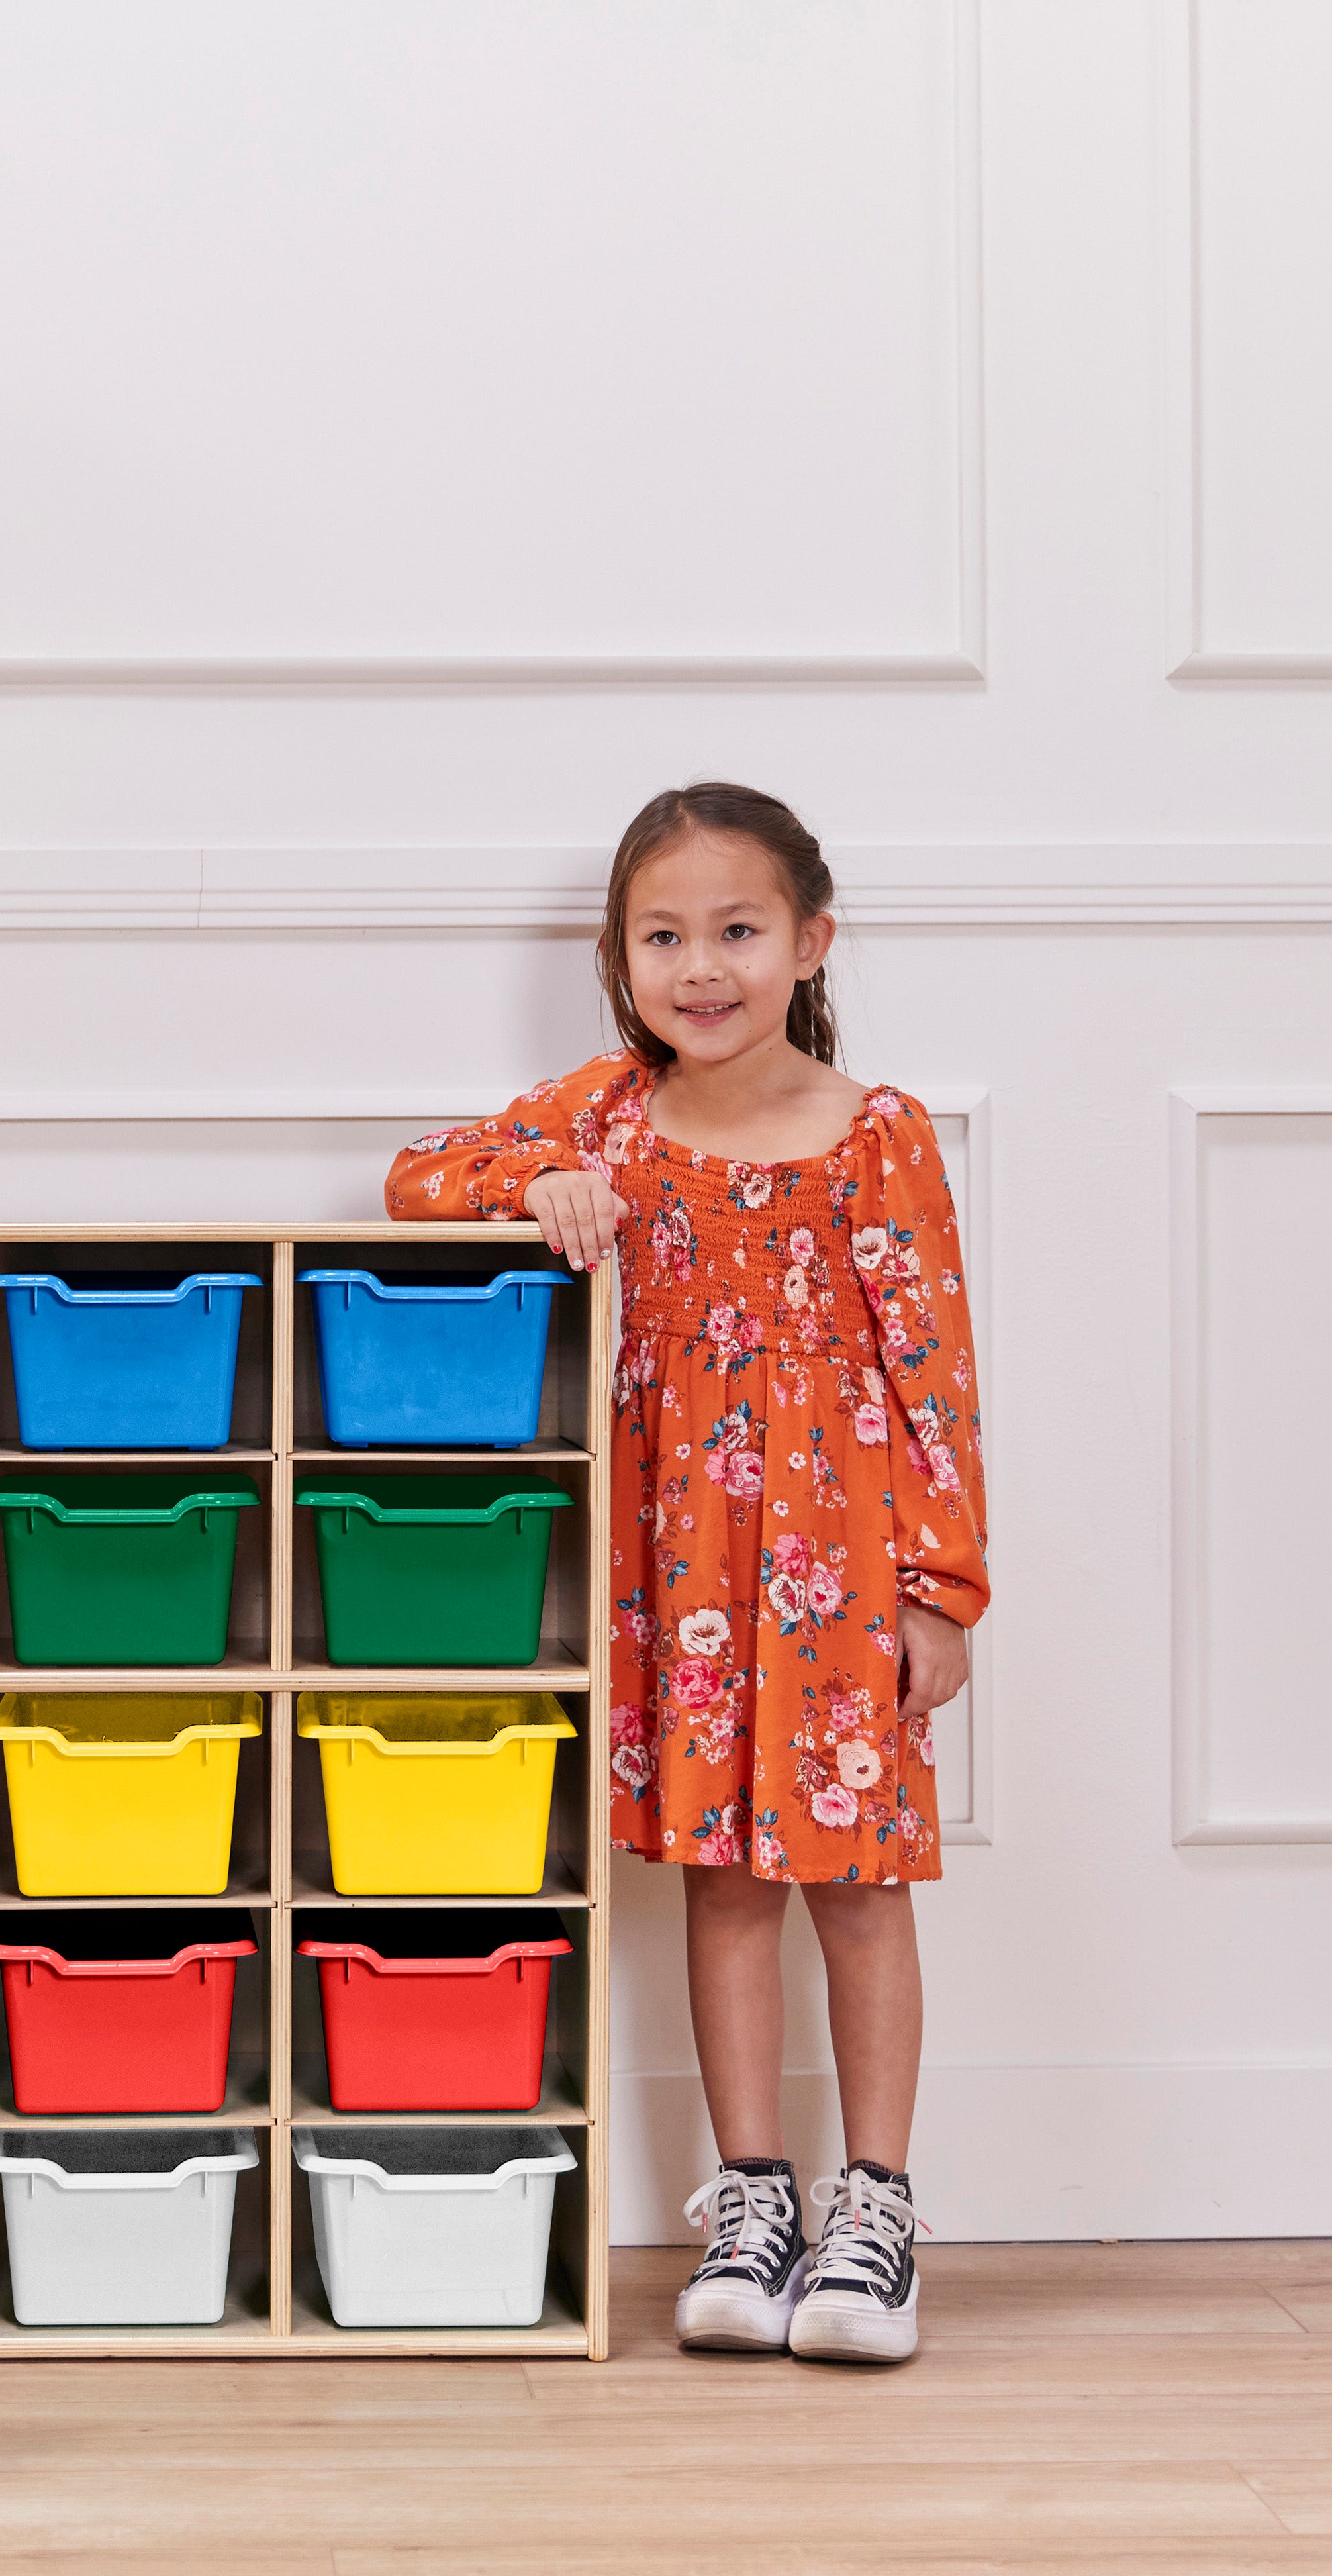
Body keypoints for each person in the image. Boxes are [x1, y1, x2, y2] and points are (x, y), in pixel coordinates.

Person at [384, 783, 987, 2365]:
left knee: (855, 1889)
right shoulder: (599, 1117)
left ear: (809, 941)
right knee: (719, 1881)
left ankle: (877, 2206)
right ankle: (750, 2196)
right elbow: (414, 1176)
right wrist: (533, 1188)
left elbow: (932, 1368)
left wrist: (943, 1586)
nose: (698, 965)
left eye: (735, 930)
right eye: (663, 935)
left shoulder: (878, 1134)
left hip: (841, 1569)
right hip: (682, 1579)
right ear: (619, 955)